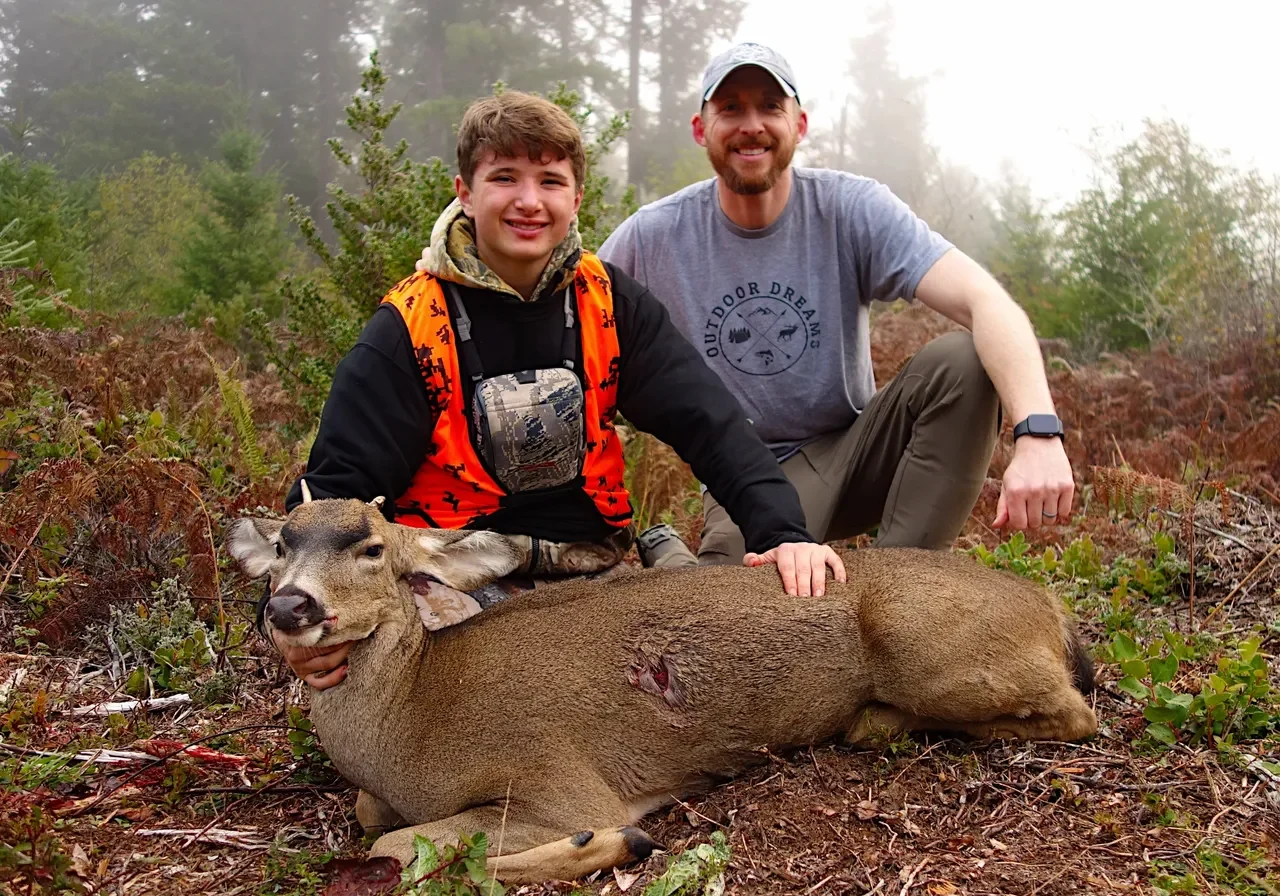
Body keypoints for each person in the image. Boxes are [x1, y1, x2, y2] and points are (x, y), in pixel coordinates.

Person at [271, 89, 844, 690]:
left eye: (549, 180)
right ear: (465, 191)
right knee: (491, 699)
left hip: (590, 566)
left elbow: (711, 423)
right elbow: (330, 496)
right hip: (450, 576)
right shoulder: (409, 328)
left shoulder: (608, 303)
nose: (528, 201)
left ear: (576, 197)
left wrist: (783, 534)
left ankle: (668, 568)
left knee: (711, 675)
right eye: (505, 178)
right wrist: (290, 615)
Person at [596, 42, 1076, 568]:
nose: (751, 124)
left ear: (799, 125)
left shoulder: (850, 208)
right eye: (730, 108)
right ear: (700, 128)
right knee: (730, 617)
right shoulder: (652, 238)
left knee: (963, 362)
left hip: (858, 451)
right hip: (743, 477)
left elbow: (987, 301)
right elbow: (578, 342)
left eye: (770, 107)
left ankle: (899, 591)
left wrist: (1038, 432)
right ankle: (677, 561)